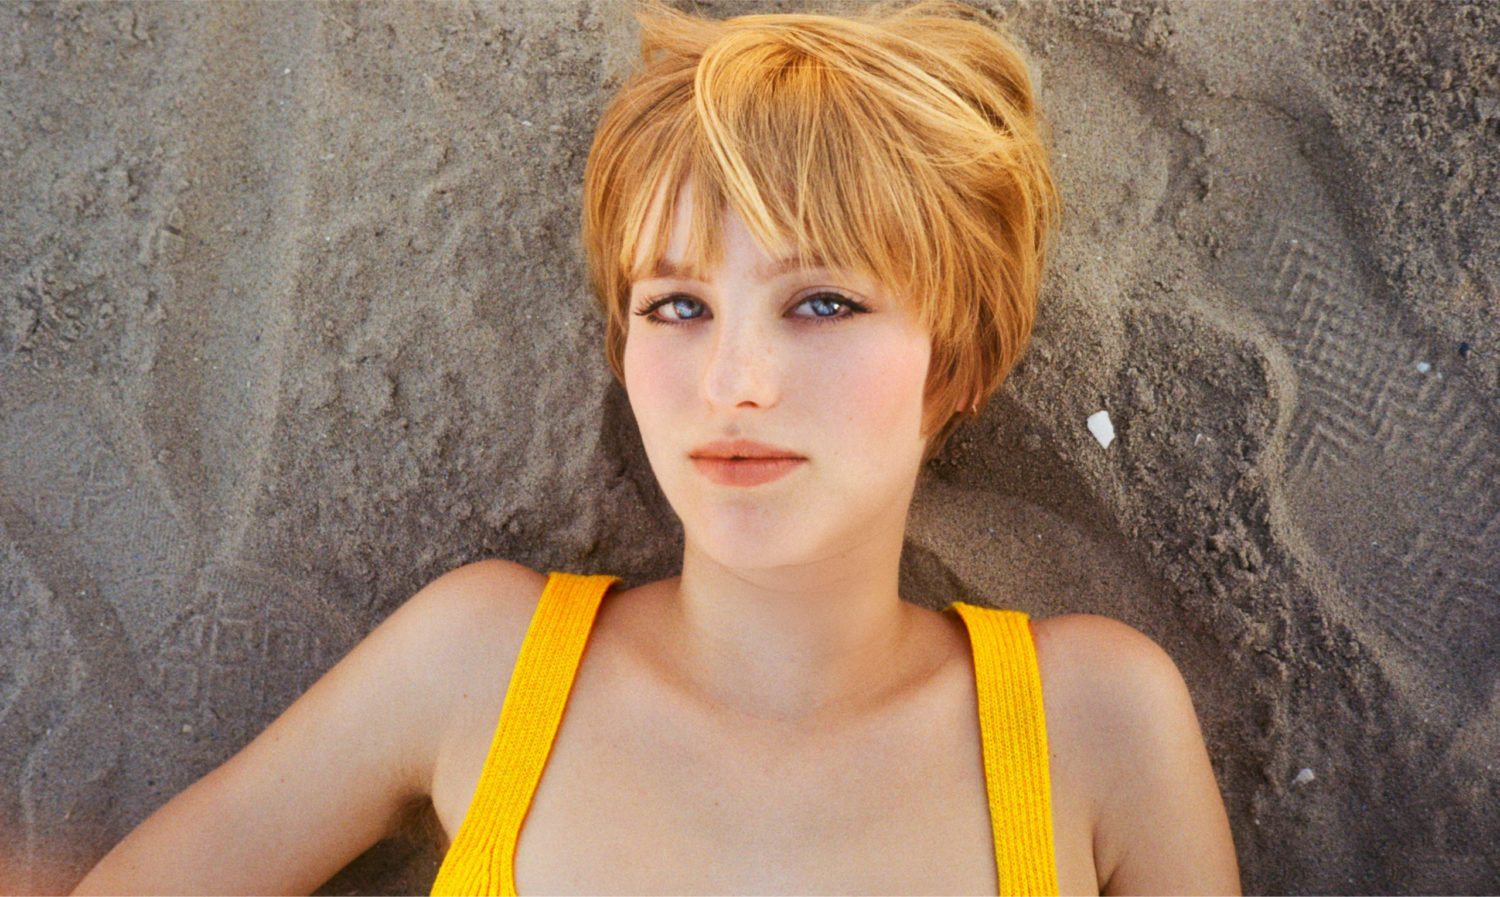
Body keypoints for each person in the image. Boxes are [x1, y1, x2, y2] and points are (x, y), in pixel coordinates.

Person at [73, 1, 1240, 894]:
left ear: (958, 360)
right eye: (677, 307)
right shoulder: (479, 667)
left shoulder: (1095, 721)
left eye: (824, 303)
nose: (735, 383)